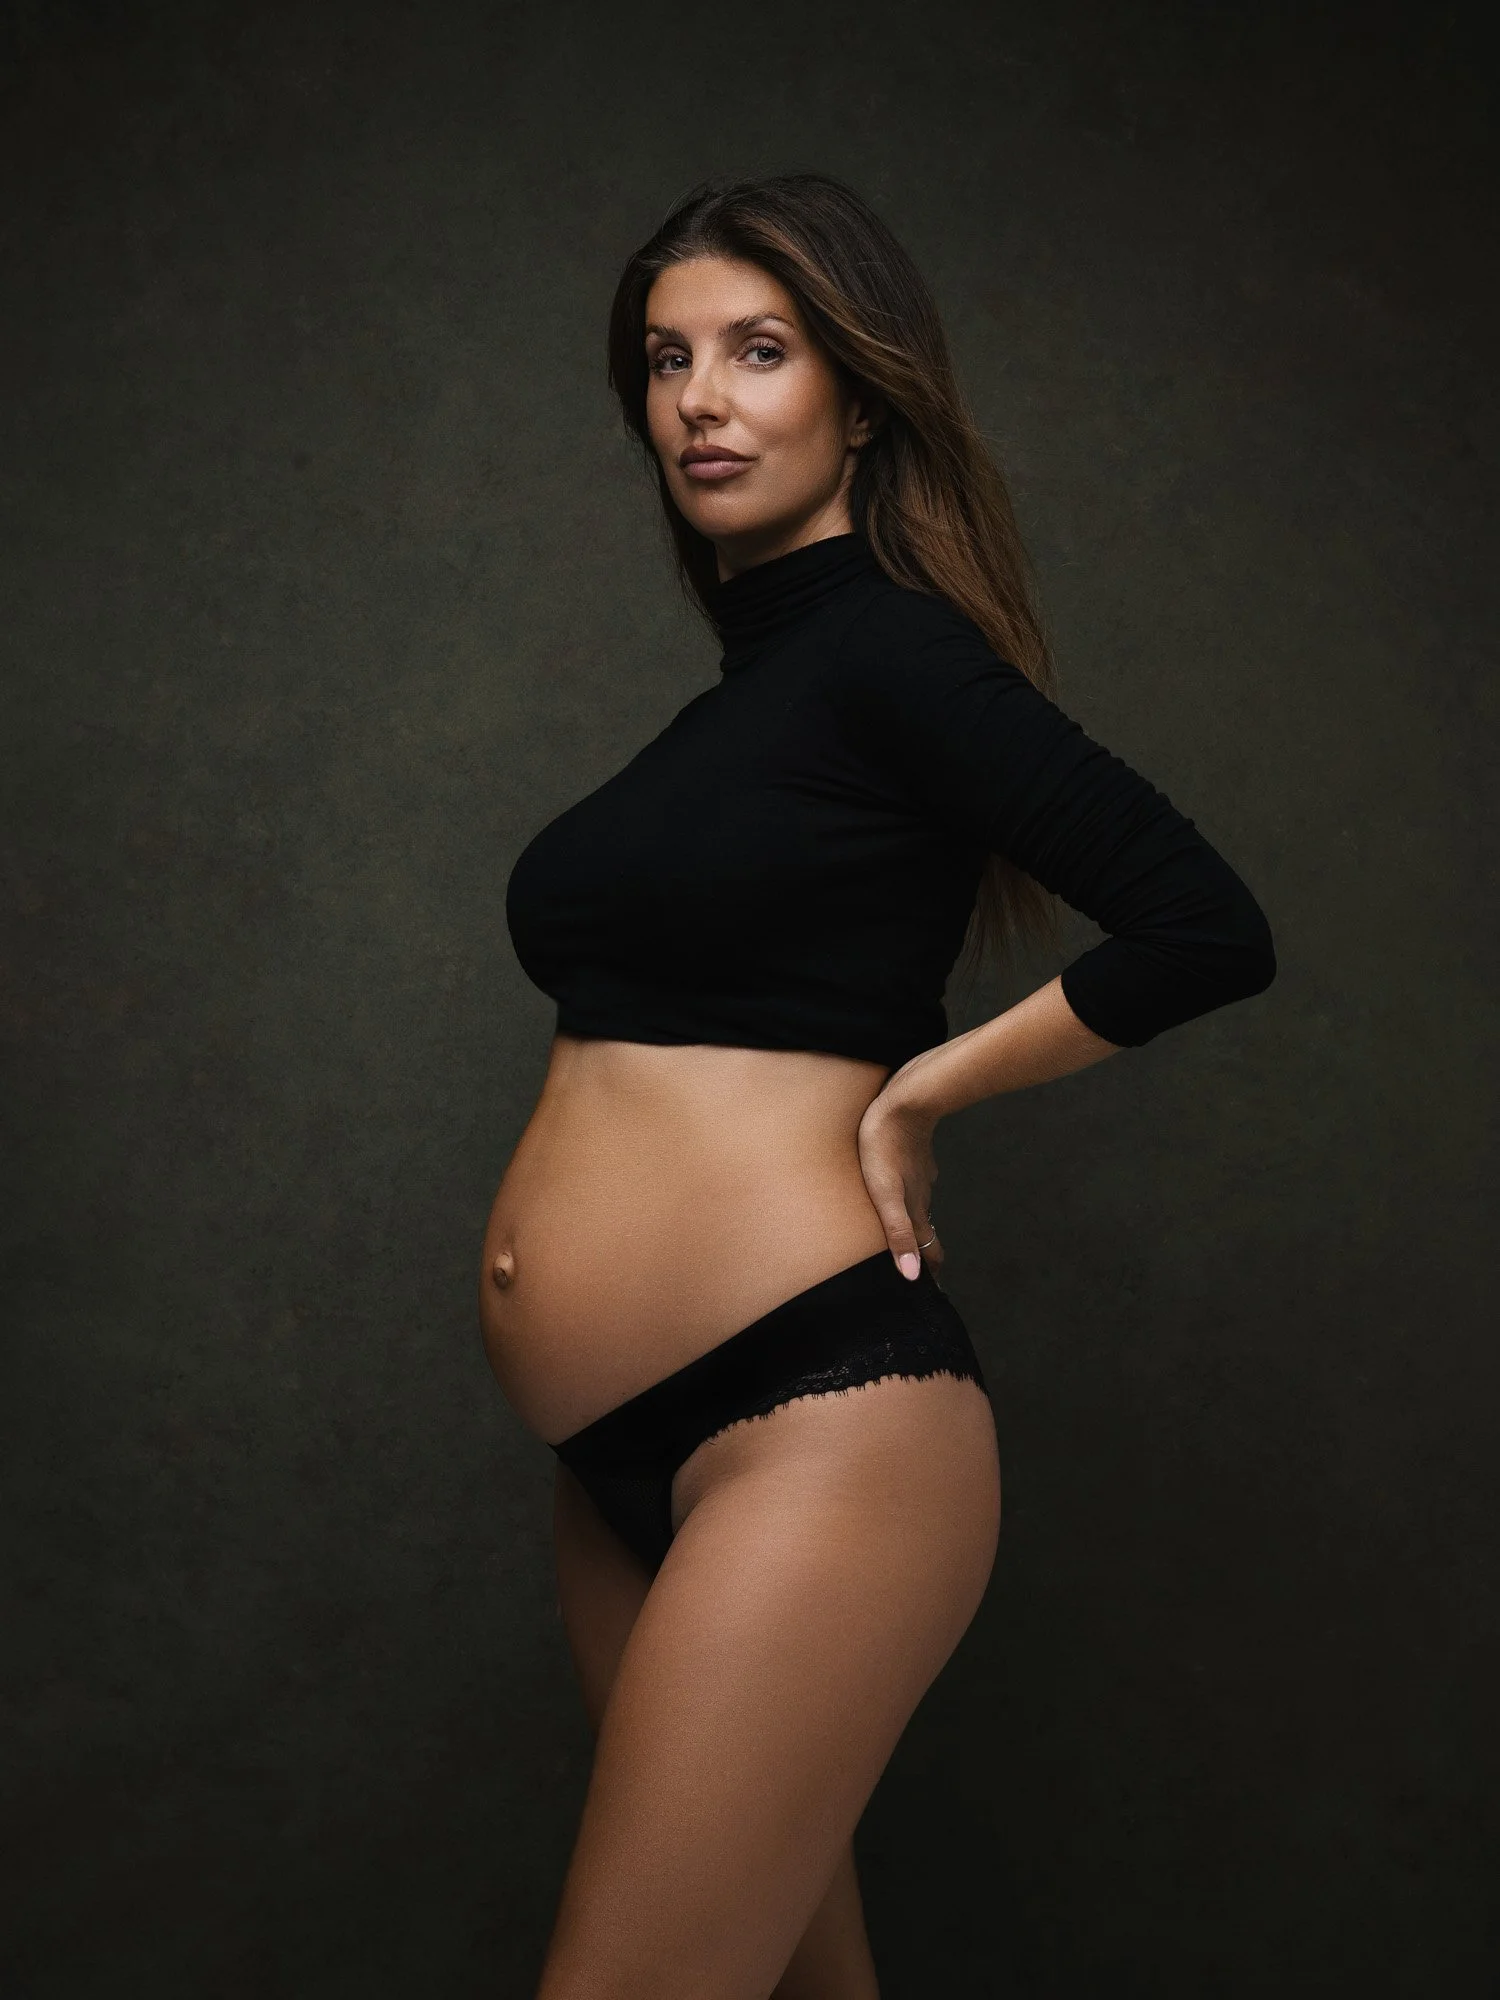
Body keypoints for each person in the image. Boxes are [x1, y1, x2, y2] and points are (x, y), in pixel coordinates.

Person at [481, 172, 1276, 2000]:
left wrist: (921, 1095)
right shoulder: (743, 703)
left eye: (760, 352)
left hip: (813, 1426)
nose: (701, 399)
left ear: (861, 396)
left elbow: (1205, 926)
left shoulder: (895, 653)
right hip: (619, 1468)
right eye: (668, 359)